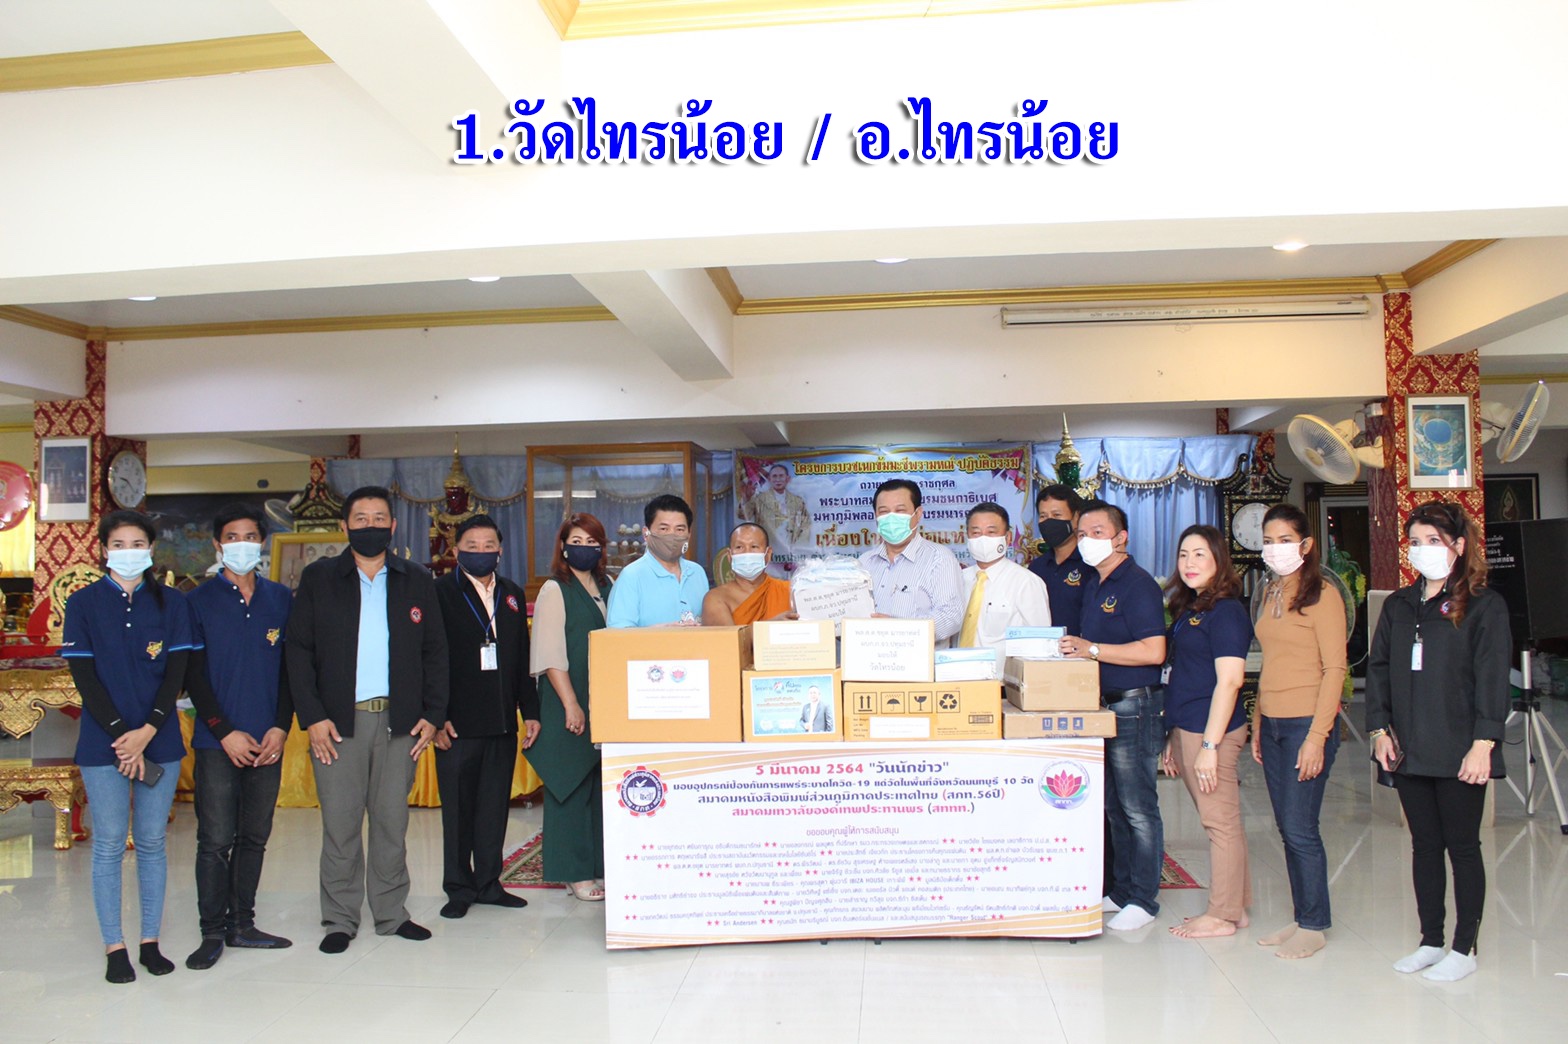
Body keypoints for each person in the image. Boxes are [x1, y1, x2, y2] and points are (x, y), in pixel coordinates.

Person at [285, 485, 449, 954]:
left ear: (393, 526)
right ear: (345, 526)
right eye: (361, 519)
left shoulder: (416, 578)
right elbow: (298, 651)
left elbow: (436, 651)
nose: (370, 526)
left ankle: (392, 914)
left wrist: (433, 715)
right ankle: (339, 918)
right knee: (340, 826)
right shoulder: (319, 578)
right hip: (339, 725)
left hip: (400, 723)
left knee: (392, 823)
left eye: (380, 519)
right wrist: (313, 717)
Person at [1367, 500, 1508, 984]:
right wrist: (1379, 730)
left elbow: (1493, 678)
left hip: (1461, 748)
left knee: (1462, 846)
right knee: (1424, 845)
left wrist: (1484, 742)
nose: (1422, 550)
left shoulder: (1483, 605)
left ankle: (1464, 947)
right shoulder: (1400, 605)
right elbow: (1378, 670)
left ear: (1459, 546)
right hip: (1409, 747)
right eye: (1415, 542)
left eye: (1434, 541)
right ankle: (1430, 940)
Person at [61, 510, 194, 983]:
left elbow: (176, 676)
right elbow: (85, 679)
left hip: (159, 739)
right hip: (105, 743)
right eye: (119, 544)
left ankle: (150, 941)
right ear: (104, 550)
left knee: (153, 842)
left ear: (151, 550)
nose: (129, 552)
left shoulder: (173, 603)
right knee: (109, 843)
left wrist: (147, 732)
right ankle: (114, 946)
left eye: (138, 544)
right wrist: (123, 735)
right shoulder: (83, 604)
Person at [182, 503, 294, 971]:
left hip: (268, 741)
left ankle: (242, 924)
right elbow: (193, 675)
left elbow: (291, 671)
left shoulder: (281, 599)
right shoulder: (196, 602)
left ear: (262, 542)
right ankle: (212, 932)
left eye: (250, 536)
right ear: (217, 544)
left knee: (254, 836)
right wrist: (224, 732)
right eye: (232, 537)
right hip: (218, 743)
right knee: (215, 839)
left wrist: (281, 727)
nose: (241, 544)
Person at [1057, 499, 1167, 932]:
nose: (1088, 541)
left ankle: (1144, 898)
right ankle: (1121, 891)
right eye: (1082, 534)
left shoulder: (1137, 585)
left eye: (1098, 533)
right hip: (1103, 707)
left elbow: (1153, 650)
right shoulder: (1095, 583)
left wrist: (1093, 650)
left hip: (1134, 705)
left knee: (1138, 807)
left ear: (1121, 537)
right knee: (1114, 806)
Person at [1251, 503, 1347, 959]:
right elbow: (1270, 662)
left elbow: (1335, 669)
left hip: (1306, 724)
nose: (1275, 549)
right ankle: (1302, 913)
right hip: (1272, 723)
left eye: (1285, 540)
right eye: (1269, 541)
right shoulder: (1271, 590)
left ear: (1306, 545)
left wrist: (1317, 737)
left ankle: (1314, 924)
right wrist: (1257, 722)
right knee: (1287, 827)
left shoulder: (1322, 594)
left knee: (1300, 827)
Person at [432, 515, 539, 919]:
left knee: (494, 807)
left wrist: (530, 711)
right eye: (471, 546)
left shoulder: (511, 594)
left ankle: (490, 883)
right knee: (459, 810)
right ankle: (459, 888)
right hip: (456, 724)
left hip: (501, 720)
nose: (481, 552)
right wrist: (436, 715)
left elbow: (521, 657)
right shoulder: (440, 592)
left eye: (488, 545)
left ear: (500, 550)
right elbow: (429, 658)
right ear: (456, 550)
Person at [1160, 524, 1253, 939]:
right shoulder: (1192, 607)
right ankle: (1237, 907)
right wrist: (1173, 738)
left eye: (1200, 554)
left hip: (1211, 731)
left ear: (1219, 559)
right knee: (1218, 820)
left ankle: (1222, 914)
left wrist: (1210, 746)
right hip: (1188, 727)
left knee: (1220, 822)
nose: (1189, 563)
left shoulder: (1227, 611)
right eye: (1184, 555)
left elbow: (1229, 681)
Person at [529, 514, 612, 901]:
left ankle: (595, 866)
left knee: (596, 784)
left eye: (592, 542)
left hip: (603, 698)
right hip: (568, 699)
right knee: (570, 783)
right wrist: (571, 704)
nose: (585, 548)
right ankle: (573, 873)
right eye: (576, 541)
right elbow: (550, 654)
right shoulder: (554, 589)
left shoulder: (607, 585)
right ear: (563, 547)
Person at [859, 478, 964, 642]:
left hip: (918, 657)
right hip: (868, 655)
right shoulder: (864, 563)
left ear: (918, 514)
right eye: (884, 512)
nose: (891, 518)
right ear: (876, 516)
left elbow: (951, 617)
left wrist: (898, 629)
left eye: (900, 511)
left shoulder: (940, 559)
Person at [958, 501, 1051, 660]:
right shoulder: (959, 579)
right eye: (976, 533)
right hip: (958, 671)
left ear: (1008, 538)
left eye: (991, 532)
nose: (983, 539)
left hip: (1003, 674)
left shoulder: (1026, 582)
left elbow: (1041, 642)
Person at [605, 494, 710, 627]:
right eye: (664, 529)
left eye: (679, 529)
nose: (672, 535)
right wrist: (658, 633)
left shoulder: (697, 572)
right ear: (646, 533)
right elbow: (616, 635)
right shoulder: (631, 576)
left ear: (689, 534)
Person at [702, 522, 793, 625]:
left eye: (754, 546)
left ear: (768, 554)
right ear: (729, 556)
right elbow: (728, 635)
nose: (747, 553)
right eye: (739, 547)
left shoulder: (789, 591)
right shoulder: (716, 598)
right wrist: (769, 626)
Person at [1028, 483, 1089, 629]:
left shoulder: (1090, 564)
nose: (1049, 521)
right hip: (1042, 642)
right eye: (1043, 516)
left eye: (1056, 515)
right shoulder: (1036, 567)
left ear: (1076, 518)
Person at [739, 462, 813, 556]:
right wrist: (746, 498)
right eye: (774, 476)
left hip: (793, 553)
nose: (778, 479)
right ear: (769, 479)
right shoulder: (759, 499)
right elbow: (743, 515)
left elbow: (806, 525)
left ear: (787, 479)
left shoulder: (798, 501)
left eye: (781, 476)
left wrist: (798, 548)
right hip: (769, 553)